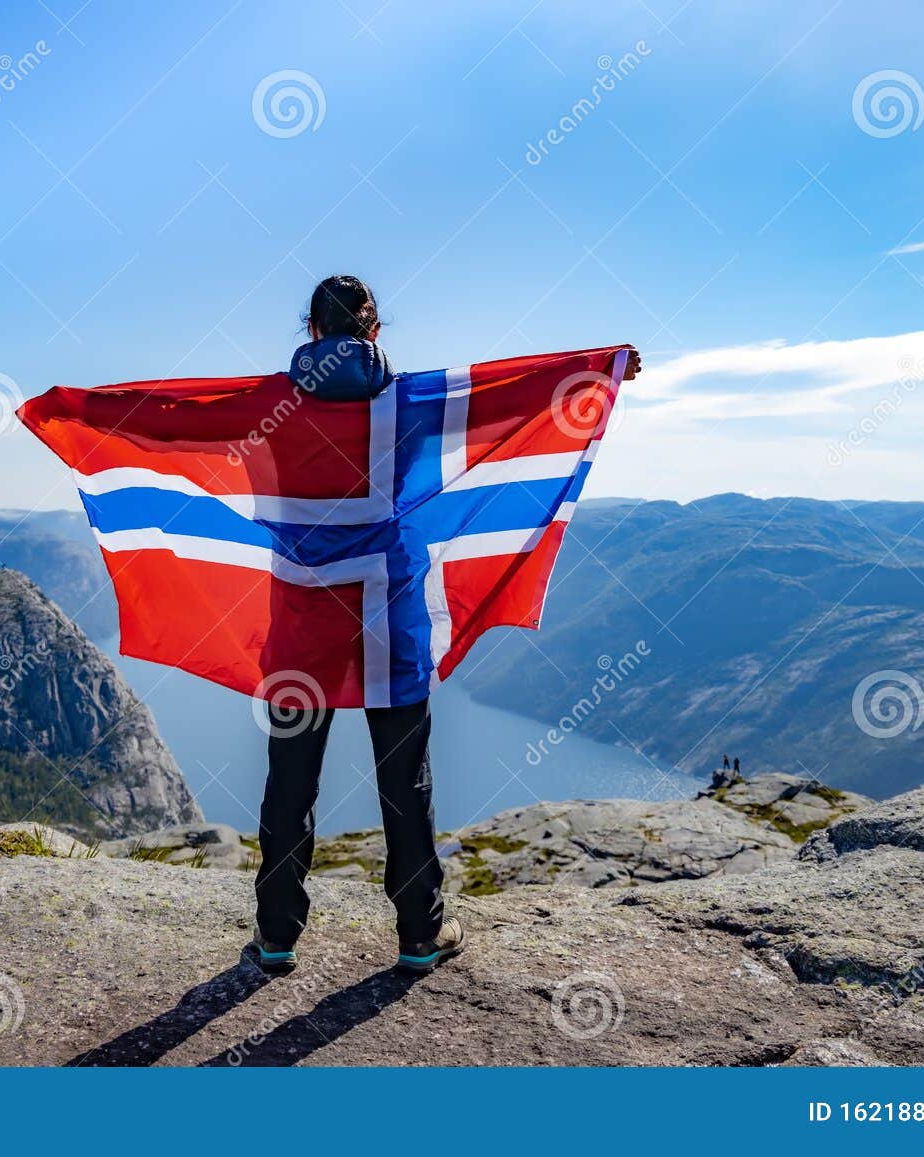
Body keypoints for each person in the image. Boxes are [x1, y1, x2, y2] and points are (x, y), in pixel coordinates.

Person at [248, 274, 640, 977]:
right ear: (373, 333)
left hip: (301, 624)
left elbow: (165, 418)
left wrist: (68, 415)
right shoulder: (413, 400)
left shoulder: (265, 406)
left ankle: (276, 937)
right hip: (387, 619)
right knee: (407, 784)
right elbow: (513, 398)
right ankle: (420, 934)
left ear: (310, 332)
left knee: (289, 784)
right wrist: (597, 372)